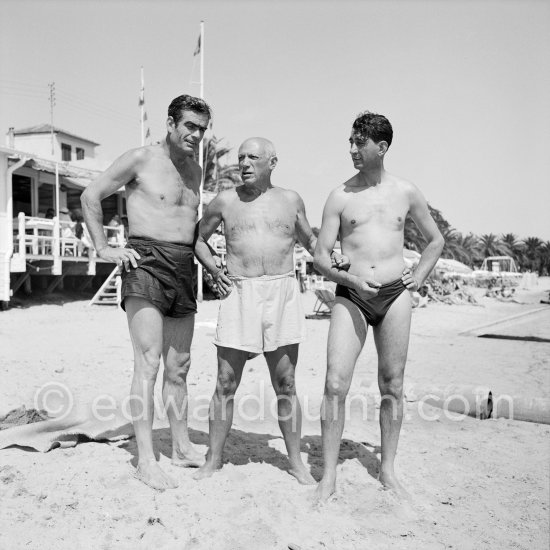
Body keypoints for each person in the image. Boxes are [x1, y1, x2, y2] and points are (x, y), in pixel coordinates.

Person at [193, 137, 348, 484]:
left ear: (272, 162)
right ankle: (213, 459)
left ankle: (295, 462)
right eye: (241, 157)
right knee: (224, 382)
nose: (245, 163)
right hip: (239, 290)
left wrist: (334, 256)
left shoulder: (290, 200)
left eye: (254, 157)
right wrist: (214, 270)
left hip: (282, 291)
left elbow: (311, 242)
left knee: (286, 382)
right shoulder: (225, 201)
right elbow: (198, 239)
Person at [81, 94, 213, 490]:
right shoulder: (139, 159)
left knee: (179, 366)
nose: (196, 135)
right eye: (190, 126)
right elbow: (91, 196)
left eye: (202, 129)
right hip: (145, 262)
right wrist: (104, 248)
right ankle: (145, 459)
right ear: (171, 122)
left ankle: (181, 444)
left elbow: (190, 225)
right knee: (149, 363)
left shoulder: (197, 171)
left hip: (182, 266)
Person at [313, 111, 444, 502]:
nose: (351, 149)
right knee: (335, 383)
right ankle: (329, 476)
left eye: (359, 143)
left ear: (381, 147)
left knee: (393, 384)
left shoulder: (406, 192)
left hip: (394, 294)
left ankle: (387, 469)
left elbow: (435, 241)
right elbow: (320, 257)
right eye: (350, 141)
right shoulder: (340, 195)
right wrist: (351, 280)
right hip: (352, 294)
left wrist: (419, 275)